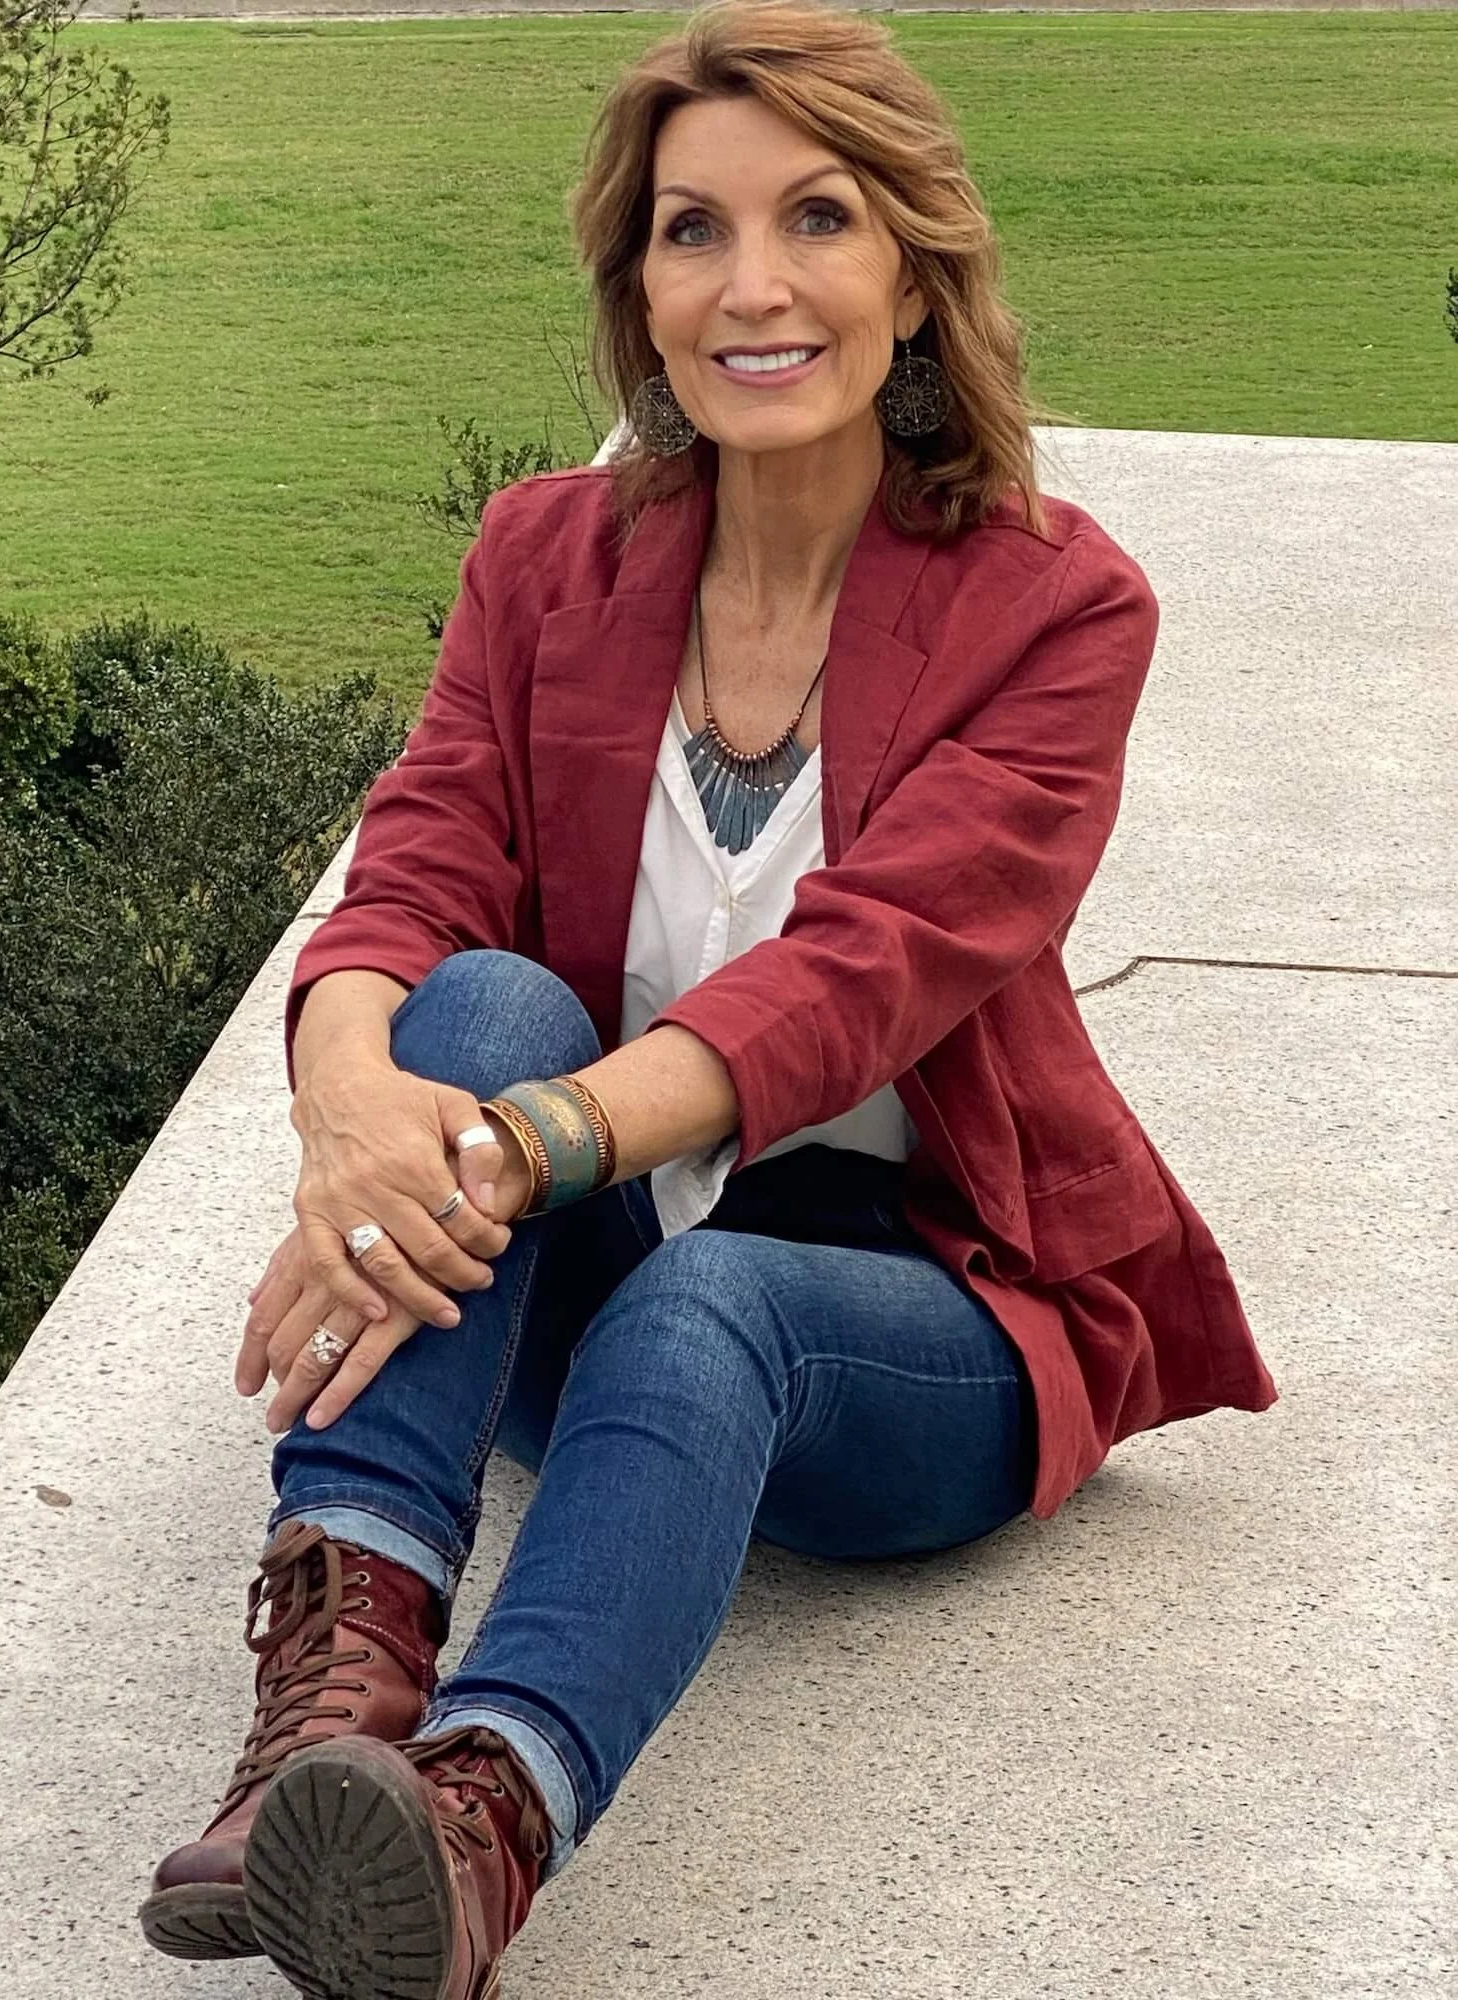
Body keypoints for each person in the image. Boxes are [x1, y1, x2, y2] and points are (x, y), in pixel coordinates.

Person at [139, 4, 1277, 1995]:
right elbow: (422, 852)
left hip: (915, 1309)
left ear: (913, 276)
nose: (753, 285)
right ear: (639, 292)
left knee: (706, 1295)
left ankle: (473, 1832)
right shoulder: (546, 556)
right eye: (692, 230)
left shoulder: (1055, 607)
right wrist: (349, 1108)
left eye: (817, 218)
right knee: (479, 993)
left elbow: (861, 978)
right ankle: (327, 1720)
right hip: (582, 1243)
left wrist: (507, 1148)